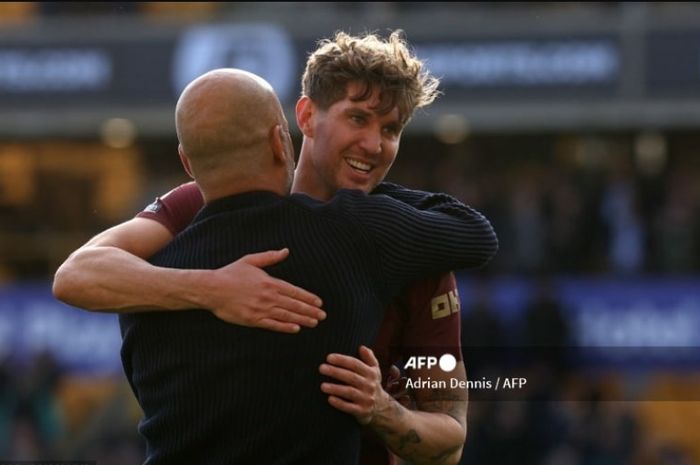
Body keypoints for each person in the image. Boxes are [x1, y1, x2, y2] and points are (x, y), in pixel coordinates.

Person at [53, 31, 489, 464]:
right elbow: (77, 274)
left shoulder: (408, 247)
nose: (374, 145)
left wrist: (383, 410)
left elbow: (449, 440)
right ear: (304, 118)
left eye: (391, 130)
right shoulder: (201, 202)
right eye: (357, 118)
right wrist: (214, 289)